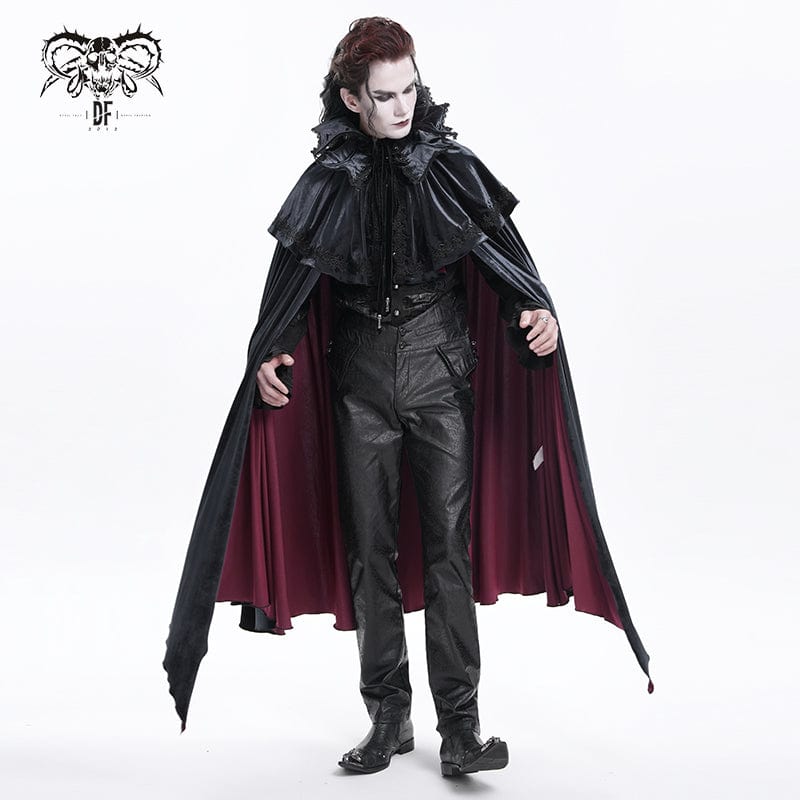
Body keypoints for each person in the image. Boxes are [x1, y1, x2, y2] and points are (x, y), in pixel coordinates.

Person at [163, 16, 653, 780]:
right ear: (352, 99)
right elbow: (292, 288)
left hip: (439, 375)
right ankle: (388, 716)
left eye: (409, 90)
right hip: (358, 383)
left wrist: (537, 316)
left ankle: (461, 728)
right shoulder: (327, 183)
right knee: (369, 551)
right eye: (385, 95)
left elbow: (504, 267)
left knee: (450, 549)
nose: (401, 106)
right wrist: (270, 356)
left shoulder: (449, 169)